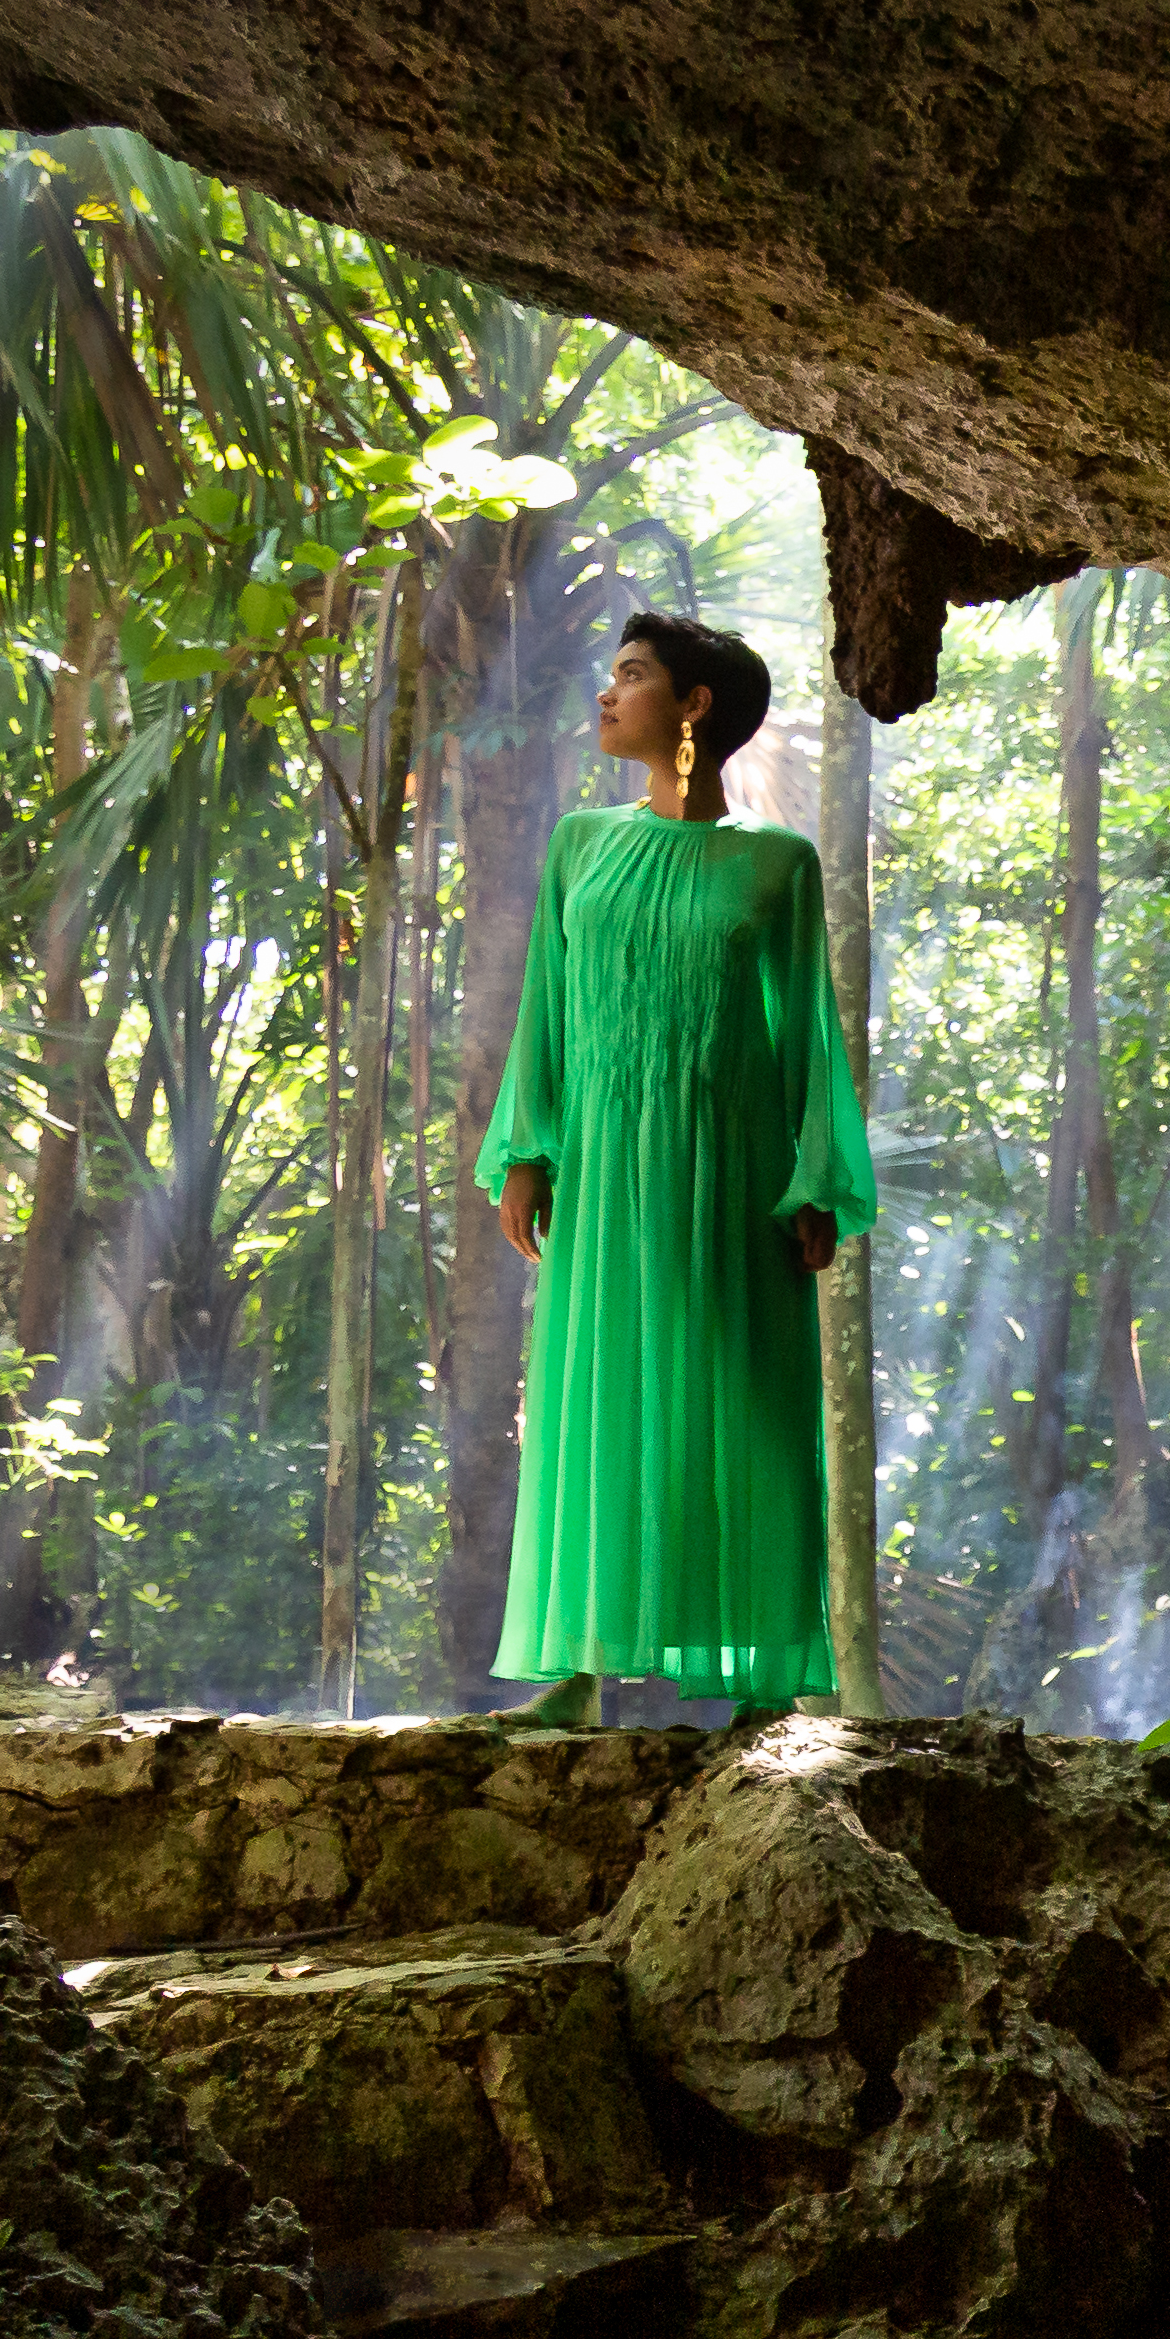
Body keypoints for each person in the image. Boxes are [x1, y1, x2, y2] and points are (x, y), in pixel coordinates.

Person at [474, 612, 878, 1723]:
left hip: (734, 1176)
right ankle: (579, 1671)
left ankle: (763, 1681)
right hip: (605, 1173)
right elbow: (543, 1013)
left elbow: (807, 1041)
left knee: (744, 1404)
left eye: (634, 676)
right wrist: (528, 1150)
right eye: (611, 675)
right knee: (595, 1389)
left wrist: (812, 1183)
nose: (608, 696)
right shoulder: (581, 847)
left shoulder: (774, 866)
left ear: (694, 706)